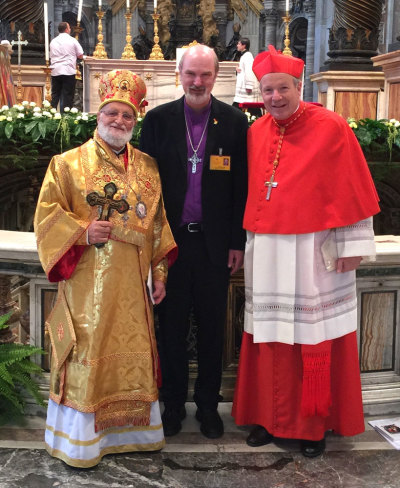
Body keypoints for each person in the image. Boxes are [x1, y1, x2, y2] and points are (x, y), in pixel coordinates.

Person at [232, 45, 380, 457]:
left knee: (311, 339)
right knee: (266, 335)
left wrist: (351, 245)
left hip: (313, 252)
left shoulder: (331, 126)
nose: (275, 98)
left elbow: (352, 188)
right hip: (266, 249)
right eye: (267, 91)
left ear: (298, 87)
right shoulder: (256, 131)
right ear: (258, 92)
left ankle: (311, 426)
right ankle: (267, 418)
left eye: (282, 89)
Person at [34, 69, 177, 468]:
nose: (119, 122)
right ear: (99, 115)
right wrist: (82, 230)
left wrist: (160, 274)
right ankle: (82, 442)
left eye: (127, 116)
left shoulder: (148, 167)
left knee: (131, 352)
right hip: (86, 286)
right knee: (90, 350)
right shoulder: (67, 163)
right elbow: (45, 217)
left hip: (133, 284)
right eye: (112, 113)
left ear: (136, 120)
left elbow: (160, 224)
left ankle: (131, 434)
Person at [140, 44, 248, 439]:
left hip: (214, 246)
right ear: (179, 75)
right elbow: (144, 189)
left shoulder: (235, 122)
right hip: (170, 245)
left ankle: (207, 406)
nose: (198, 82)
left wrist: (237, 241)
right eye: (191, 74)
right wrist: (149, 245)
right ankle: (171, 405)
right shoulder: (157, 121)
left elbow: (242, 188)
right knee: (169, 328)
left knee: (211, 328)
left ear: (216, 76)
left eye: (205, 74)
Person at [49, 22, 84, 112]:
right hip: (68, 70)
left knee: (55, 95)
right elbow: (80, 55)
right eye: (69, 28)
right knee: (67, 95)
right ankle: (65, 117)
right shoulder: (72, 40)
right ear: (67, 29)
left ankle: (51, 115)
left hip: (55, 70)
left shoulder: (53, 41)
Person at [232, 37, 262, 117]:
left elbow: (249, 71)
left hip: (247, 89)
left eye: (239, 44)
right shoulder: (244, 56)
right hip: (243, 88)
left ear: (244, 45)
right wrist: (238, 70)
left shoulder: (248, 56)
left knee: (250, 109)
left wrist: (249, 86)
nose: (237, 45)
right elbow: (244, 70)